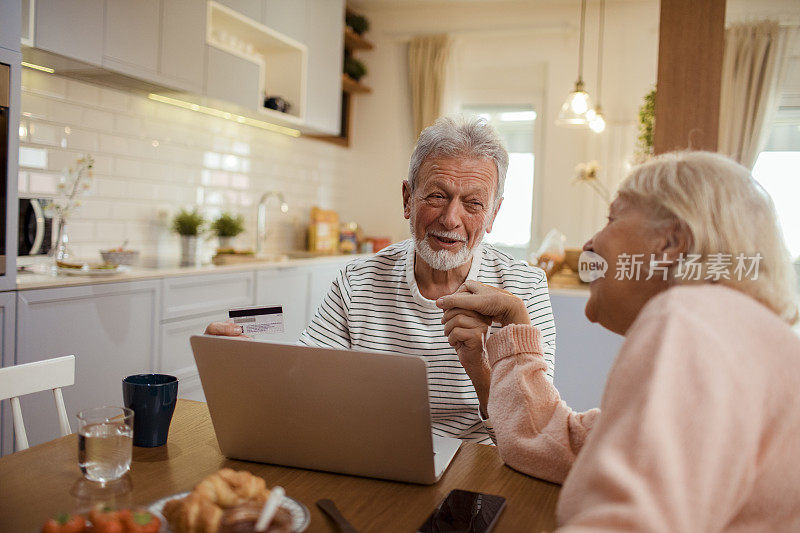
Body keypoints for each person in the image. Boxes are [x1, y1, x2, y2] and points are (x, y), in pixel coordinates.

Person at [437, 151, 800, 529]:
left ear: (671, 242)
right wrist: (514, 325)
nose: (591, 242)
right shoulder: (728, 331)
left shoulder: (690, 317)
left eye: (613, 218)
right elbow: (555, 442)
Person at [207, 115, 556, 444]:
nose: (451, 219)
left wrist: (478, 366)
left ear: (493, 213)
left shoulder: (523, 291)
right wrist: (239, 368)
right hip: (369, 460)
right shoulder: (356, 282)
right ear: (408, 199)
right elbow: (302, 394)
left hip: (474, 473)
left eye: (473, 203)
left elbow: (532, 437)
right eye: (437, 196)